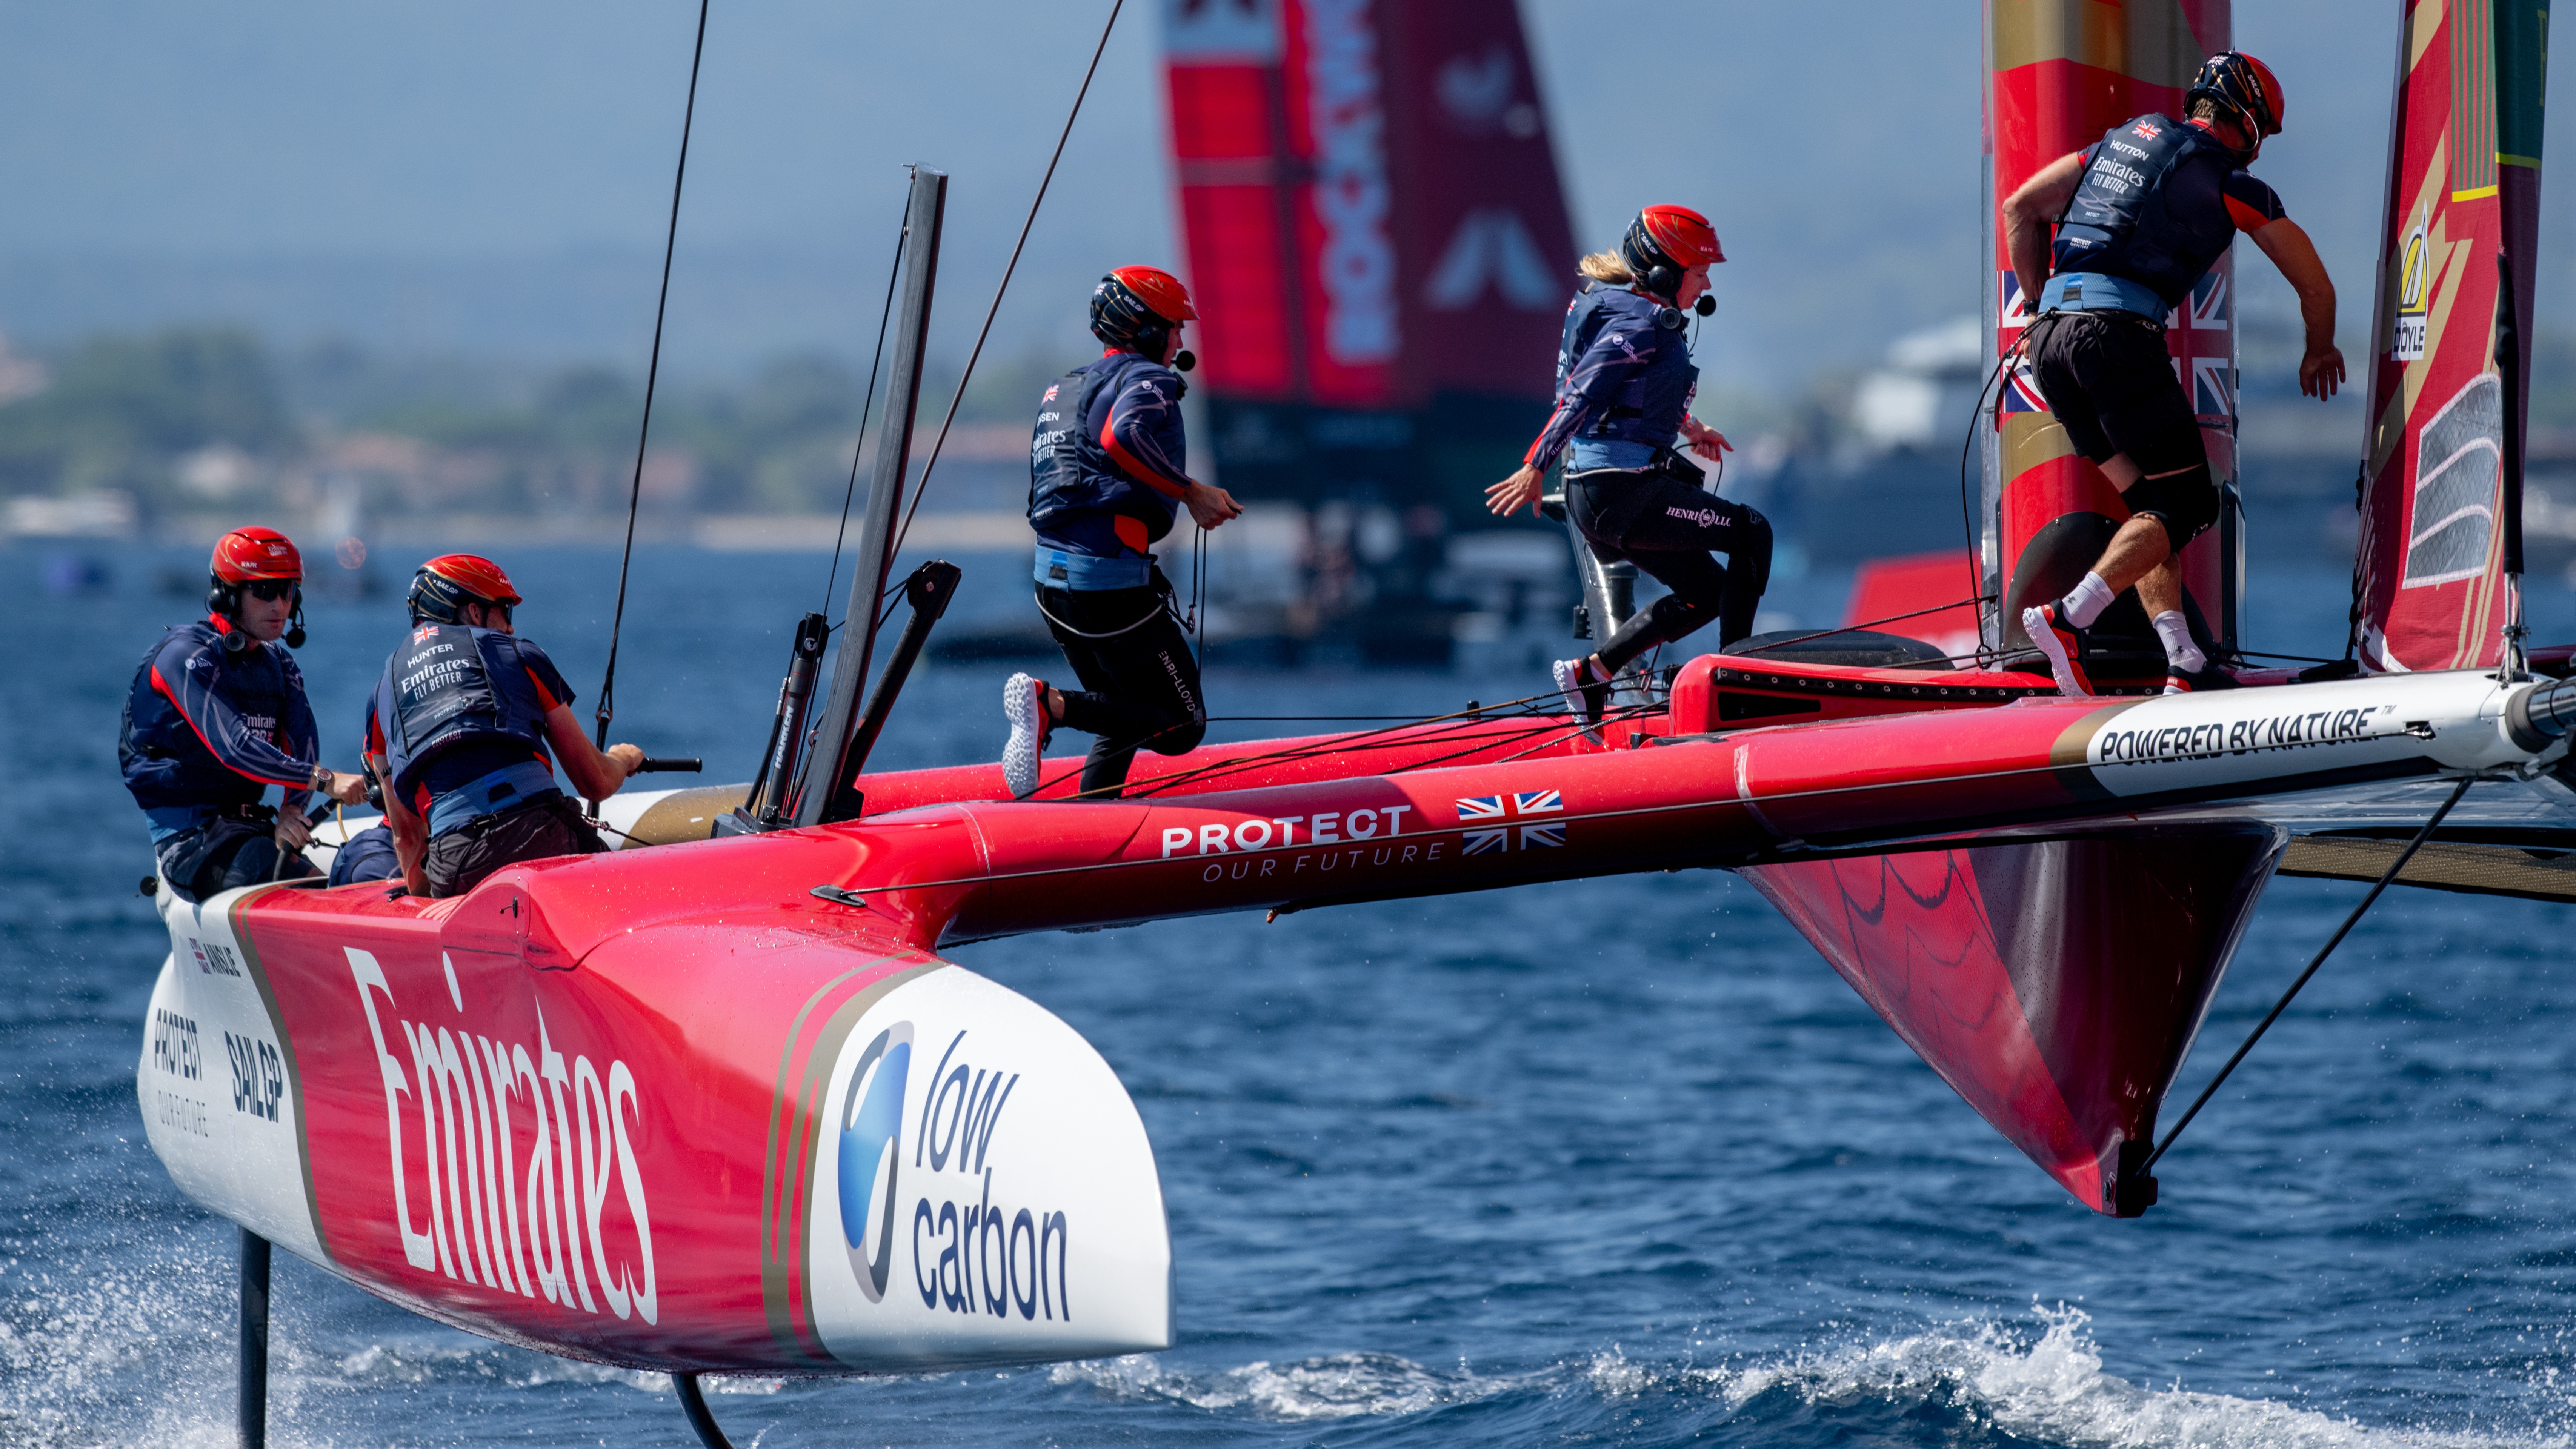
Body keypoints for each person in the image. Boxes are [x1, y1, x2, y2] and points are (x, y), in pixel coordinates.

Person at [2004, 51, 2343, 696]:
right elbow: (2315, 287)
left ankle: (2181, 656)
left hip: (2048, 347)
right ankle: (2068, 619)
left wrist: (2038, 304)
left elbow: (2020, 208)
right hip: (2114, 341)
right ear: (2242, 117)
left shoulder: (2116, 144)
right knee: (2189, 503)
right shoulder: (2229, 181)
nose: (2259, 151)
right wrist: (2319, 349)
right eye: (2261, 133)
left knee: (2151, 506)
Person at [1484, 205, 1769, 724]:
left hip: (1605, 497)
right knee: (1752, 533)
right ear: (1665, 272)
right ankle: (1736, 686)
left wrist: (1692, 429)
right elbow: (1581, 397)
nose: (1705, 288)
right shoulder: (1636, 325)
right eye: (1700, 274)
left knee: (1705, 592)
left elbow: (1637, 393)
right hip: (1618, 494)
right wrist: (1534, 466)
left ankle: (1590, 676)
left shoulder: (1632, 316)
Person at [1001, 265, 1243, 800]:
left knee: (1121, 710)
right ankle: (1048, 705)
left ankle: (1091, 819)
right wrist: (1191, 492)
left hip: (1051, 587)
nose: (1180, 340)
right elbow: (1122, 436)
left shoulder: (1063, 389)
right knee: (1182, 725)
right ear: (1147, 329)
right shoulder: (1146, 378)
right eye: (1174, 327)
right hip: (1106, 589)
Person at [363, 554, 644, 898]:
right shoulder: (521, 654)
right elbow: (594, 782)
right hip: (542, 832)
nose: (510, 628)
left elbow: (406, 838)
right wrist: (623, 758)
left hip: (455, 863)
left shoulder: (382, 697)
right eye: (505, 611)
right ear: (474, 612)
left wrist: (427, 902)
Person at [120, 527, 370, 901]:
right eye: (265, 592)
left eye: (287, 592)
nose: (279, 607)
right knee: (317, 893)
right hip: (189, 845)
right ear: (227, 596)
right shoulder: (186, 657)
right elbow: (234, 749)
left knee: (356, 875)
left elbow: (302, 743)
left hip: (249, 832)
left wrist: (292, 812)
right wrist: (325, 780)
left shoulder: (279, 664)